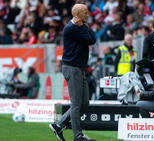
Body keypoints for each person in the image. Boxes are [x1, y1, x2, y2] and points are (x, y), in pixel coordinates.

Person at [49, 4, 96, 141]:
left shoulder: (79, 27)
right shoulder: (71, 28)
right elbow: (90, 39)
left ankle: (59, 125)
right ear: (78, 14)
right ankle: (78, 136)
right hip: (72, 68)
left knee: (84, 104)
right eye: (85, 13)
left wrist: (84, 26)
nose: (88, 15)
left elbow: (92, 38)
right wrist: (83, 26)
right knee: (76, 104)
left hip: (79, 68)